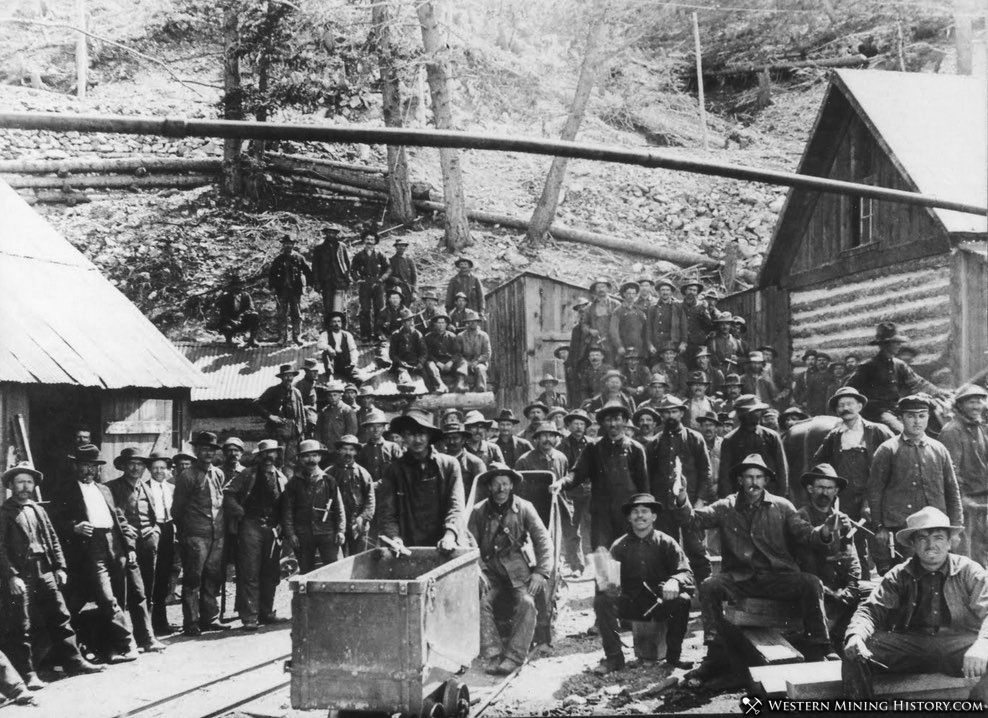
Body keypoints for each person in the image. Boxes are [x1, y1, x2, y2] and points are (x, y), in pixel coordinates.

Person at [673, 454, 841, 668]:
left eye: (759, 477)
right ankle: (715, 652)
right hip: (741, 579)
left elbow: (806, 535)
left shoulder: (782, 506)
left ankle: (821, 647)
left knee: (811, 583)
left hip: (777, 578)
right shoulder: (726, 507)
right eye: (749, 477)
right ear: (740, 480)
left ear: (766, 480)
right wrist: (681, 497)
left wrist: (825, 531)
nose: (754, 482)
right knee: (709, 586)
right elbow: (693, 520)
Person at [842, 507, 988, 701]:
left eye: (938, 538)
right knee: (855, 650)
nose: (931, 545)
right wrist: (856, 635)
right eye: (922, 539)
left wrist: (982, 645)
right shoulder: (899, 574)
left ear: (949, 543)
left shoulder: (968, 570)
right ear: (912, 544)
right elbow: (870, 611)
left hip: (959, 644)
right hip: (913, 645)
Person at [0, 463, 104, 687]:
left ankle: (75, 662)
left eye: (29, 482)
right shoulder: (4, 513)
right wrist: (11, 575)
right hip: (21, 573)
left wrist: (60, 567)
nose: (25, 486)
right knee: (22, 624)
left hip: (45, 570)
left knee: (60, 615)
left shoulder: (38, 509)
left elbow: (52, 539)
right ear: (10, 485)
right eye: (20, 482)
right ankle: (28, 674)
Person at [50, 445, 141, 662]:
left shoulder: (105, 490)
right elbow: (53, 521)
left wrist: (129, 547)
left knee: (118, 597)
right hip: (90, 548)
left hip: (115, 546)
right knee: (106, 598)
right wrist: (74, 526)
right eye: (85, 466)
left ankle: (109, 649)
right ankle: (128, 643)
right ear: (76, 466)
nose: (89, 470)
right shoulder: (65, 490)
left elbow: (120, 520)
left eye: (94, 466)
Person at [592, 493, 694, 673]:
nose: (640, 515)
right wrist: (605, 578)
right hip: (630, 604)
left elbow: (686, 572)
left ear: (653, 516)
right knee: (601, 601)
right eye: (635, 512)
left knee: (683, 600)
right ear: (629, 518)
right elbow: (607, 586)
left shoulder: (667, 542)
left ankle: (673, 658)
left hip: (659, 602)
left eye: (645, 511)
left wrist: (674, 580)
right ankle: (614, 658)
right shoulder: (619, 545)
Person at [468, 464, 552, 675]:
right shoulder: (478, 511)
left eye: (505, 483)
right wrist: (478, 570)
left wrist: (540, 572)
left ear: (512, 485)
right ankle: (493, 652)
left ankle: (514, 656)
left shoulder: (524, 507)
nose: (501, 488)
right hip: (490, 571)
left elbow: (543, 541)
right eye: (496, 484)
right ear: (489, 487)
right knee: (480, 602)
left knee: (527, 602)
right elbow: (469, 545)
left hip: (518, 571)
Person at [869, 394, 964, 574]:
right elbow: (875, 490)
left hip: (937, 526)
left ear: (928, 417)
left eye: (922, 416)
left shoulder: (939, 449)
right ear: (901, 418)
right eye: (911, 416)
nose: (917, 421)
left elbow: (952, 490)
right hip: (905, 529)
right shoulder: (888, 449)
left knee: (940, 572)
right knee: (911, 574)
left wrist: (957, 528)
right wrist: (879, 526)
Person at [811, 387, 894, 576]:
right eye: (841, 405)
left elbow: (894, 458)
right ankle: (861, 587)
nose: (845, 408)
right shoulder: (834, 436)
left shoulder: (878, 431)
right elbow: (818, 463)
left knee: (881, 544)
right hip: (845, 498)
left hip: (874, 496)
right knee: (852, 545)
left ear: (859, 406)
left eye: (849, 404)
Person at [552, 402, 649, 550]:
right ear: (603, 423)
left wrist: (643, 511)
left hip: (628, 513)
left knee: (630, 552)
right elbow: (577, 473)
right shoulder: (594, 447)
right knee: (601, 554)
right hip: (601, 514)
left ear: (624, 421)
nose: (613, 424)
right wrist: (561, 483)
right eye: (608, 420)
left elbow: (643, 485)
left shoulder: (635, 448)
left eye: (617, 419)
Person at [646, 396, 714, 586]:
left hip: (689, 504)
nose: (670, 416)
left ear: (682, 413)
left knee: (697, 551)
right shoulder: (654, 443)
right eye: (666, 412)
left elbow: (705, 472)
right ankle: (675, 595)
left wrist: (700, 500)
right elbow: (648, 477)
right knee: (668, 550)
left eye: (674, 411)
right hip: (663, 507)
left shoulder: (694, 438)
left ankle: (705, 597)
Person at [795, 464, 862, 651]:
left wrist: (851, 588)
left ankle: (843, 639)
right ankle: (824, 646)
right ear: (810, 489)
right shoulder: (800, 517)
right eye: (820, 487)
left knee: (872, 592)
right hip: (815, 590)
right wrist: (826, 529)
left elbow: (853, 560)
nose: (825, 492)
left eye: (830, 488)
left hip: (840, 589)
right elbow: (808, 543)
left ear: (836, 491)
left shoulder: (843, 521)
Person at [376, 411, 465, 552]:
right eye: (411, 434)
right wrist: (394, 538)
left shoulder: (449, 465)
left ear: (429, 436)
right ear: (404, 436)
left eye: (422, 434)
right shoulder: (394, 470)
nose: (417, 440)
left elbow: (456, 504)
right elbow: (387, 512)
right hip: (408, 546)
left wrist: (450, 534)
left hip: (445, 544)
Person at [223, 439, 288, 630]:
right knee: (249, 572)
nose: (269, 457)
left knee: (270, 572)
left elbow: (286, 505)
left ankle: (266, 612)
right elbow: (228, 494)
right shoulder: (247, 474)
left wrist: (283, 525)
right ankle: (250, 616)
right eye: (265, 454)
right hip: (251, 526)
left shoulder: (281, 478)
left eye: (272, 453)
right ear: (259, 456)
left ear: (277, 455)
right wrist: (240, 512)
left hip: (272, 529)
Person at [105, 448, 164, 652]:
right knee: (125, 590)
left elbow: (155, 514)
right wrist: (124, 534)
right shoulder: (111, 488)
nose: (135, 467)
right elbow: (112, 517)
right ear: (123, 465)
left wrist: (155, 531)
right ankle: (123, 639)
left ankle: (145, 636)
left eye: (139, 463)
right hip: (124, 546)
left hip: (148, 542)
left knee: (147, 589)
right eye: (131, 463)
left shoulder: (146, 487)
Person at [171, 431, 228, 637]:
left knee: (212, 577)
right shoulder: (187, 476)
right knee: (193, 579)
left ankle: (210, 619)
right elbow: (177, 509)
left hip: (217, 534)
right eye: (204, 449)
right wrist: (187, 534)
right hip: (195, 535)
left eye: (211, 450)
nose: (208, 453)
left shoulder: (219, 474)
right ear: (196, 451)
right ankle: (191, 622)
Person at [846, 322, 950, 431]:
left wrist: (939, 392)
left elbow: (918, 382)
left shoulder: (899, 364)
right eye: (896, 343)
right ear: (885, 344)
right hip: (876, 413)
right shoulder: (868, 366)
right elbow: (848, 389)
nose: (899, 345)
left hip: (897, 408)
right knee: (903, 432)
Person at [939, 384, 988, 565]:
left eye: (980, 401)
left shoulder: (981, 428)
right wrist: (961, 499)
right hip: (966, 502)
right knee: (966, 554)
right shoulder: (952, 431)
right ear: (960, 405)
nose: (977, 406)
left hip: (983, 499)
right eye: (971, 402)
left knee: (982, 550)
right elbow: (951, 471)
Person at [282, 440, 345, 574]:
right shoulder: (293, 484)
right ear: (300, 458)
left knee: (335, 570)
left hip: (327, 532)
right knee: (307, 572)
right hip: (303, 534)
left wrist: (340, 530)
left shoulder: (329, 481)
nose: (311, 460)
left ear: (320, 457)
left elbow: (339, 508)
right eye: (306, 456)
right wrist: (291, 534)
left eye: (314, 455)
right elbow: (287, 511)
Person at [717, 395, 788, 499]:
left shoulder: (771, 437)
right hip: (740, 497)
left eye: (759, 411)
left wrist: (781, 497)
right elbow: (725, 476)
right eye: (755, 411)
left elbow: (781, 470)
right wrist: (728, 501)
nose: (759, 414)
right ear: (744, 415)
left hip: (769, 496)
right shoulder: (730, 440)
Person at [145, 451, 179, 636]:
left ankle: (161, 622)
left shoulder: (171, 488)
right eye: (155, 468)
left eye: (162, 468)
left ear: (167, 470)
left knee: (164, 577)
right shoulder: (144, 488)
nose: (159, 471)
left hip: (168, 530)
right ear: (150, 470)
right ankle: (148, 624)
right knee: (151, 577)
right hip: (152, 530)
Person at [254, 363, 306, 479]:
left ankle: (289, 485)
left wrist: (302, 432)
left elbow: (301, 413)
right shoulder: (273, 391)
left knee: (292, 461)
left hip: (293, 431)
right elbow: (256, 404)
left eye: (291, 375)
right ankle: (277, 483)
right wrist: (270, 416)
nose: (289, 378)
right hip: (278, 431)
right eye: (286, 376)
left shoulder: (297, 392)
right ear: (282, 377)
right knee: (278, 460)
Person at [329, 436, 375, 556]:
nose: (348, 452)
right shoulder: (329, 473)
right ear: (339, 451)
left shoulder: (363, 473)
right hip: (336, 524)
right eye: (344, 449)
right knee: (336, 560)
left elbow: (370, 500)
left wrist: (363, 518)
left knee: (359, 559)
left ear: (356, 452)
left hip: (357, 522)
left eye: (351, 449)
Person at [268, 234, 313, 346]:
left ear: (294, 245)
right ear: (283, 245)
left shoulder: (299, 258)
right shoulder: (278, 259)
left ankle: (296, 336)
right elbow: (272, 275)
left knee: (296, 314)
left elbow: (308, 271)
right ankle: (282, 337)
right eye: (286, 243)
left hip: (295, 291)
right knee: (282, 314)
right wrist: (272, 287)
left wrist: (310, 284)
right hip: (281, 291)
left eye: (291, 243)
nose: (288, 245)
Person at [351, 230, 391, 341]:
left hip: (378, 284)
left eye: (372, 240)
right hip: (365, 285)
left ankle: (379, 332)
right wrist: (358, 279)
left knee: (380, 309)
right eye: (367, 239)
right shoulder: (359, 256)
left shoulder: (380, 255)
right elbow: (353, 270)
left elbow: (388, 268)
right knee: (365, 310)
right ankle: (365, 334)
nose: (369, 242)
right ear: (364, 241)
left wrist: (382, 279)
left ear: (375, 242)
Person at [311, 226, 352, 326]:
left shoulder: (342, 246)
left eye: (333, 233)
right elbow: (315, 267)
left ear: (336, 234)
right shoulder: (319, 248)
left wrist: (348, 278)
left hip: (340, 281)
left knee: (340, 307)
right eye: (328, 233)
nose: (330, 235)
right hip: (326, 282)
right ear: (325, 234)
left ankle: (342, 331)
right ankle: (328, 331)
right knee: (328, 307)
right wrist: (317, 282)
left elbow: (347, 263)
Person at [442, 423, 487, 506]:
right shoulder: (439, 461)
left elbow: (482, 493)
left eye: (455, 438)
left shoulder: (475, 463)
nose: (451, 442)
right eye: (448, 438)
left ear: (463, 440)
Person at [316, 380, 359, 463]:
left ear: (340, 395)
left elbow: (352, 432)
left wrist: (343, 447)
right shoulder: (324, 411)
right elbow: (318, 430)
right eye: (330, 395)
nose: (332, 398)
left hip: (340, 451)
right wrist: (320, 444)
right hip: (326, 450)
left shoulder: (347, 410)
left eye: (335, 395)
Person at [582, 279, 621, 363]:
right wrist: (589, 330)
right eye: (598, 287)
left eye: (603, 286)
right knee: (597, 364)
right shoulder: (589, 308)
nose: (601, 289)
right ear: (595, 290)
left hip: (613, 342)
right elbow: (584, 324)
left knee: (613, 365)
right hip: (596, 342)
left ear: (607, 288)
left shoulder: (616, 305)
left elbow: (623, 324)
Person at [423, 314, 465, 393]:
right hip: (437, 364)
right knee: (429, 364)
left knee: (462, 362)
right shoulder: (428, 337)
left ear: (446, 324)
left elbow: (458, 353)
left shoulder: (452, 336)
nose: (441, 325)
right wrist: (438, 363)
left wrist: (451, 362)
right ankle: (440, 385)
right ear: (434, 324)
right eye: (438, 323)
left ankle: (460, 384)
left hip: (449, 363)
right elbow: (427, 354)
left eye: (443, 323)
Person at [646, 279, 685, 362]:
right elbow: (649, 328)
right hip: (658, 344)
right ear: (659, 292)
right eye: (662, 290)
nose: (665, 292)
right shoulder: (653, 307)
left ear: (671, 292)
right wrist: (650, 345)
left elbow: (683, 325)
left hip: (674, 343)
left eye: (667, 290)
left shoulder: (678, 306)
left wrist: (684, 342)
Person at [217, 274, 259, 347]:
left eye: (240, 285)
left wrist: (242, 316)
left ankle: (252, 340)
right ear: (231, 286)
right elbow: (223, 313)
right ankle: (229, 339)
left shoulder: (246, 296)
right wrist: (232, 321)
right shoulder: (225, 297)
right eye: (236, 285)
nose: (238, 287)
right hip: (229, 322)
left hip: (242, 321)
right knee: (227, 328)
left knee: (254, 315)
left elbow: (251, 308)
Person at [316, 311, 358, 384]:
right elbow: (320, 344)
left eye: (339, 321)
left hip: (345, 363)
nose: (337, 324)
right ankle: (330, 375)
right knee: (326, 352)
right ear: (330, 323)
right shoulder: (325, 334)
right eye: (334, 322)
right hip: (333, 363)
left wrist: (353, 362)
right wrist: (329, 348)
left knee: (358, 379)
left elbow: (353, 350)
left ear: (341, 323)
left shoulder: (347, 335)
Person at [388, 308, 427, 386]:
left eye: (412, 320)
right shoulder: (396, 335)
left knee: (426, 377)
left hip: (415, 363)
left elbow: (424, 352)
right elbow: (392, 353)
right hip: (401, 363)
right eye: (408, 321)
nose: (411, 323)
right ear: (403, 323)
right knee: (402, 375)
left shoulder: (417, 334)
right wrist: (399, 362)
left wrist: (420, 362)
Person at [610, 281, 647, 361]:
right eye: (628, 293)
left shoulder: (640, 310)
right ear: (624, 294)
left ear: (636, 295)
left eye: (633, 293)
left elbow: (645, 329)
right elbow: (614, 331)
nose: (631, 296)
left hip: (639, 346)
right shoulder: (618, 311)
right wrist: (619, 346)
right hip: (624, 345)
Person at [457, 310, 491, 392]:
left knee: (480, 368)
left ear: (478, 322)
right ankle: (462, 386)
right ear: (467, 323)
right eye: (470, 321)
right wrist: (466, 362)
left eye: (475, 321)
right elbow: (457, 353)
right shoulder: (461, 336)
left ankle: (481, 389)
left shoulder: (483, 335)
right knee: (462, 366)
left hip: (480, 362)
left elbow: (487, 353)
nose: (472, 323)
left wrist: (477, 361)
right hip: (465, 361)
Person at [680, 281, 709, 368]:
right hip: (682, 342)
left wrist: (704, 310)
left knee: (697, 366)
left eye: (694, 290)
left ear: (697, 293)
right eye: (690, 289)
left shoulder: (701, 306)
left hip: (697, 343)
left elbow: (708, 323)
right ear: (685, 291)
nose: (692, 292)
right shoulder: (679, 305)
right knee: (683, 366)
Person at [694, 411, 723, 481]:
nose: (708, 428)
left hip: (719, 486)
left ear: (716, 428)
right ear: (700, 427)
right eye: (705, 425)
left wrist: (718, 484)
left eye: (711, 425)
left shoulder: (723, 444)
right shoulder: (695, 444)